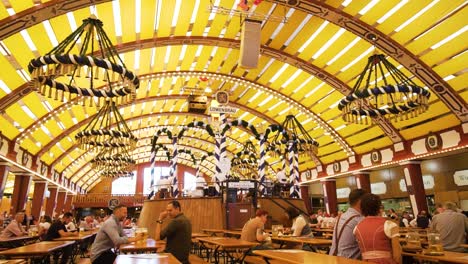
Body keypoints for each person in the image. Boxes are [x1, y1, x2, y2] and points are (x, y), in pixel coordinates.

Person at [354, 193, 401, 264]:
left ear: (362, 209)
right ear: (379, 207)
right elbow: (397, 256)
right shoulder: (390, 225)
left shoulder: (356, 228)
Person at [329, 188, 367, 259]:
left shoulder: (341, 217)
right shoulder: (359, 220)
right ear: (360, 202)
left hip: (333, 258)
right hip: (347, 261)